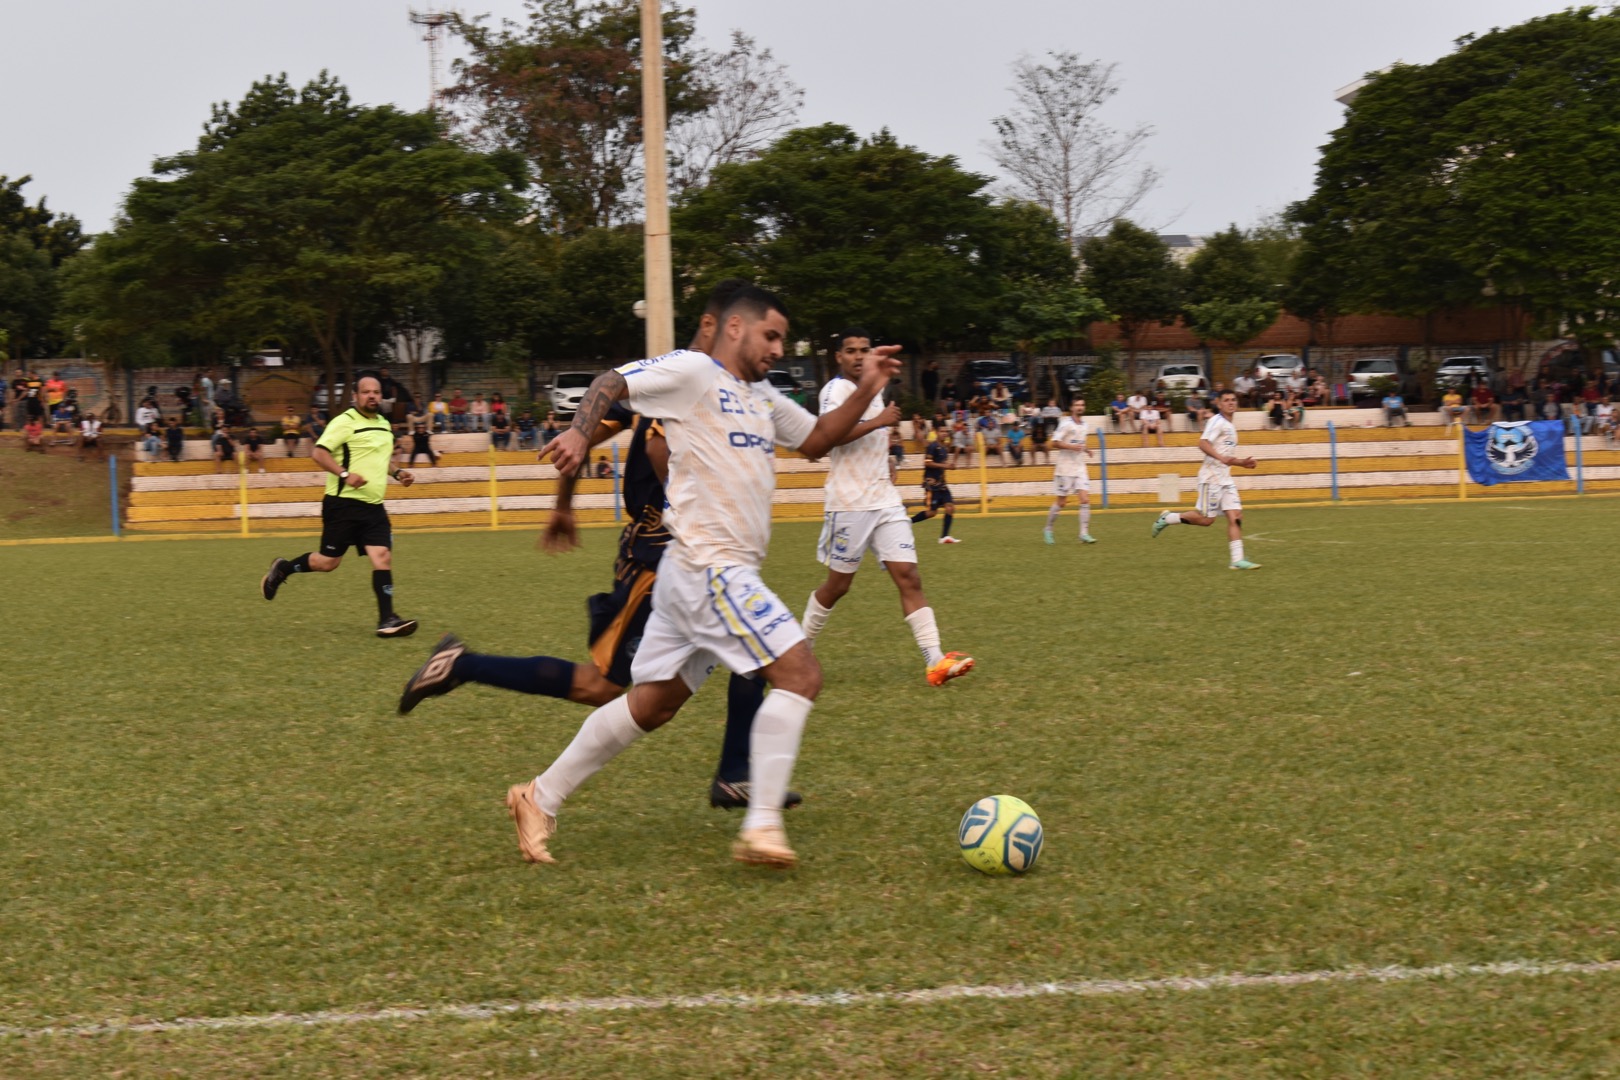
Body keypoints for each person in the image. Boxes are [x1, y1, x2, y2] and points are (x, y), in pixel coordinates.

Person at [494, 286, 899, 868]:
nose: (778, 349)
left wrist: (867, 387)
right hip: (712, 569)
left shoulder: (759, 396)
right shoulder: (692, 373)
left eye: (782, 339)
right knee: (801, 673)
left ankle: (539, 796)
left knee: (653, 704)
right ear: (734, 328)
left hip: (694, 575)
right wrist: (582, 430)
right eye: (771, 336)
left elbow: (816, 440)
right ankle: (761, 826)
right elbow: (612, 381)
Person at [401, 281, 814, 816]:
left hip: (693, 556)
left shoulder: (702, 384)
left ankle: (737, 774)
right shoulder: (683, 383)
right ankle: (462, 665)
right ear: (720, 324)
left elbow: (586, 433)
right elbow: (592, 430)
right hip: (659, 556)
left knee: (750, 654)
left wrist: (565, 503)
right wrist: (565, 501)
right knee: (602, 686)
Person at [800, 328, 974, 689]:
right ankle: (800, 652)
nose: (859, 356)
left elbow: (871, 437)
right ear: (839, 357)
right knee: (837, 586)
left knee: (909, 576)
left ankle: (934, 661)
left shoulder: (874, 390)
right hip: (849, 503)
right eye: (851, 351)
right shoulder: (836, 391)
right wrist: (879, 422)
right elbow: (829, 437)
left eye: (864, 350)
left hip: (883, 499)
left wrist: (886, 458)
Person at [259, 374, 419, 638]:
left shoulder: (383, 424)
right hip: (343, 505)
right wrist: (345, 475)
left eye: (376, 392)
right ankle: (283, 568)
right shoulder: (343, 422)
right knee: (328, 562)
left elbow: (380, 459)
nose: (371, 396)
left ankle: (387, 619)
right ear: (355, 396)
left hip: (373, 507)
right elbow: (319, 453)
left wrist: (399, 473)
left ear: (381, 396)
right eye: (366, 392)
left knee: (382, 557)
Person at [1152, 389, 1260, 570]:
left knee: (1236, 516)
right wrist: (1221, 458)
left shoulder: (1231, 427)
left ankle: (1237, 560)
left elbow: (1226, 457)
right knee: (1206, 519)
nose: (1231, 402)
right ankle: (1168, 518)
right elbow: (1202, 443)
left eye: (1233, 400)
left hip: (1225, 479)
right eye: (1226, 400)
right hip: (1211, 478)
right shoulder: (1216, 421)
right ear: (1219, 404)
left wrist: (1242, 463)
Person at [1044, 397, 1097, 545]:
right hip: (1064, 468)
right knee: (1061, 503)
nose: (1080, 407)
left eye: (1082, 404)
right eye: (1077, 405)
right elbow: (1054, 443)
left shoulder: (1085, 425)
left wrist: (1086, 450)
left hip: (1080, 467)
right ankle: (1048, 529)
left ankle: (1083, 534)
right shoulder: (1066, 423)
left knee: (1085, 499)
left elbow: (1080, 443)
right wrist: (1071, 447)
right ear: (1072, 407)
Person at [912, 425, 962, 544]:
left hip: (942, 484)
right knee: (931, 513)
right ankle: (907, 522)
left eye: (946, 431)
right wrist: (945, 466)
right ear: (936, 432)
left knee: (950, 507)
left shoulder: (944, 448)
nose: (944, 433)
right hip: (932, 484)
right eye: (941, 431)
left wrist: (950, 466)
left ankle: (944, 537)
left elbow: (942, 464)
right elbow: (928, 463)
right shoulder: (932, 446)